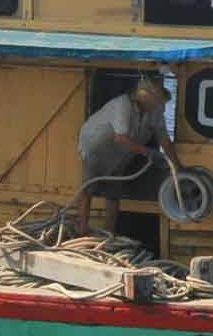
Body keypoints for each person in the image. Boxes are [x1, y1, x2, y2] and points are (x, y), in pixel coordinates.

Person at [76, 76, 181, 235]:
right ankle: (82, 231)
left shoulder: (155, 110)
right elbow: (121, 137)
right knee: (88, 188)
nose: (161, 105)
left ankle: (109, 234)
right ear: (146, 98)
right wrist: (149, 152)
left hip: (121, 152)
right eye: (158, 101)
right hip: (96, 148)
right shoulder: (123, 105)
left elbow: (165, 140)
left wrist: (177, 167)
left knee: (113, 193)